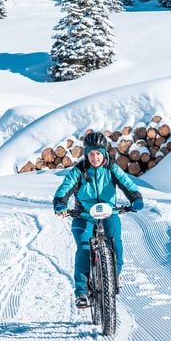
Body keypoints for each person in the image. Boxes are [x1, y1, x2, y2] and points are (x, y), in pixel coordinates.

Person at [53, 132, 144, 309]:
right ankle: (81, 292)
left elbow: (128, 184)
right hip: (84, 216)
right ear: (86, 154)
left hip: (109, 213)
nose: (95, 158)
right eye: (91, 154)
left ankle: (114, 275)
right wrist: (60, 204)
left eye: (99, 153)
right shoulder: (79, 171)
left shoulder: (112, 168)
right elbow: (65, 188)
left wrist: (136, 198)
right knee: (84, 248)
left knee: (115, 243)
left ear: (104, 153)